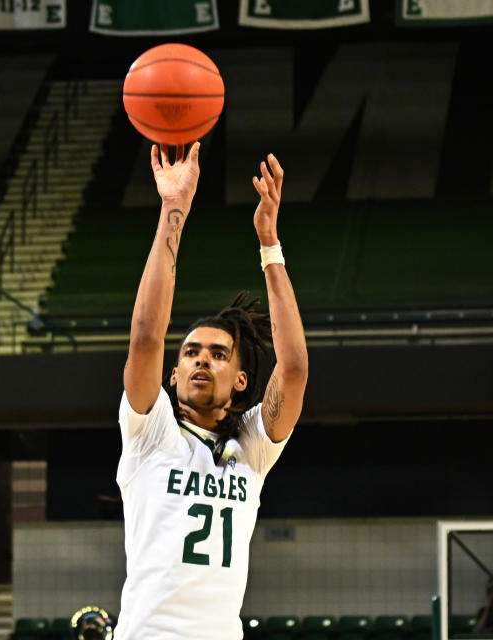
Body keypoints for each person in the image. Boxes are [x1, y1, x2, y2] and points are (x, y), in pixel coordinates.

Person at [114, 141, 308, 640]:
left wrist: (270, 244)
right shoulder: (149, 432)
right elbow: (145, 336)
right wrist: (173, 208)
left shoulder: (252, 448)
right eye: (191, 352)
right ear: (172, 375)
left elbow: (294, 368)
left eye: (219, 354)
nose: (202, 358)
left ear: (241, 381)